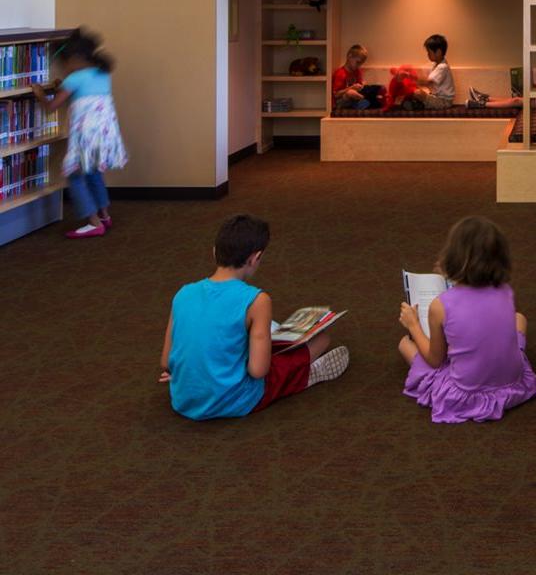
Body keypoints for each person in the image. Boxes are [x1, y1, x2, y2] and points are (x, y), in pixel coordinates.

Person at [160, 214, 349, 421]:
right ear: (255, 258)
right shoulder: (257, 299)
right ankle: (303, 376)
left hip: (183, 399)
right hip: (235, 401)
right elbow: (258, 371)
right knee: (321, 339)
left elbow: (166, 361)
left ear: (215, 252)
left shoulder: (183, 293)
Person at [398, 216, 536, 423]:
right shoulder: (505, 291)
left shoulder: (440, 304)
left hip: (466, 394)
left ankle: (413, 341)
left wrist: (413, 325)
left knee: (406, 345)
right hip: (513, 383)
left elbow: (435, 360)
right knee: (518, 318)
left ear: (453, 257)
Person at [32, 27, 127, 239]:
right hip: (105, 135)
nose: (63, 68)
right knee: (94, 173)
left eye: (64, 63)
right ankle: (104, 214)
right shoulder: (102, 74)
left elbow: (51, 107)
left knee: (74, 176)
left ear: (75, 59)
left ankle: (93, 223)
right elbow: (82, 94)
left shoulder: (73, 80)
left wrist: (40, 94)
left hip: (85, 137)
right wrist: (62, 86)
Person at [410, 33, 455, 110]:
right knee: (416, 92)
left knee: (418, 93)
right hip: (436, 97)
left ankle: (419, 104)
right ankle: (418, 104)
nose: (427, 55)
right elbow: (421, 70)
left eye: (429, 52)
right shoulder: (435, 64)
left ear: (438, 52)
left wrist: (413, 80)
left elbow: (428, 82)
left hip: (444, 102)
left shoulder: (442, 67)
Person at [332, 44, 370, 109]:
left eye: (361, 64)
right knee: (350, 93)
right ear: (349, 56)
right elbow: (336, 94)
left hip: (353, 99)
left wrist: (361, 86)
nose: (359, 65)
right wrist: (351, 88)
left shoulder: (357, 71)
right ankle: (362, 103)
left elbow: (359, 85)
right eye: (358, 62)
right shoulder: (340, 73)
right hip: (340, 102)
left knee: (372, 89)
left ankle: (363, 103)